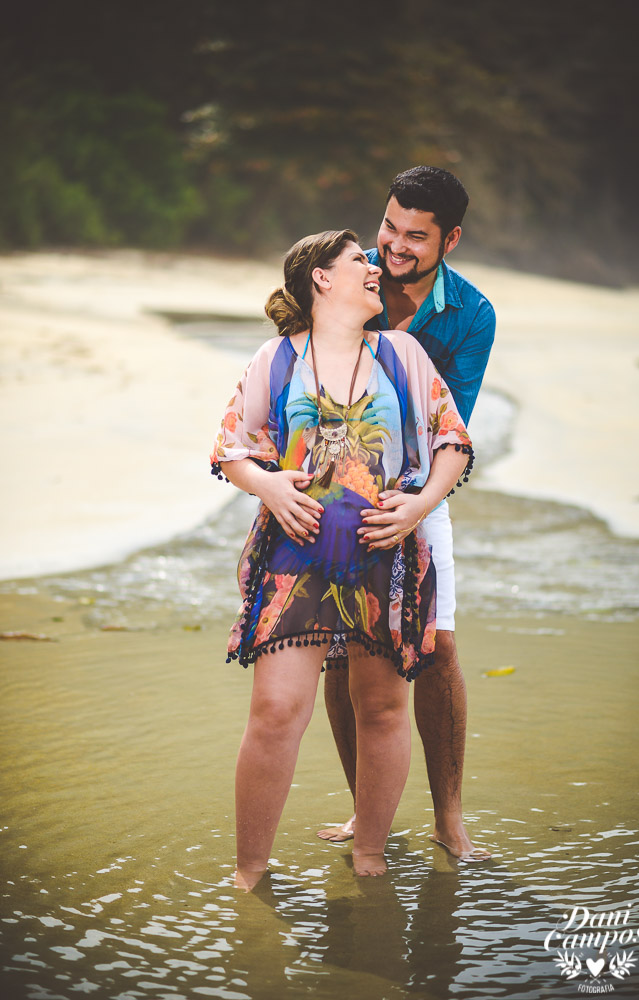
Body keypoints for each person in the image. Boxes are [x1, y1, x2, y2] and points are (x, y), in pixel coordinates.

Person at [210, 229, 473, 890]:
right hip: (294, 553)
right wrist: (268, 484)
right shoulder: (274, 359)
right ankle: (248, 872)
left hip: (384, 548)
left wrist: (418, 506)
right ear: (320, 278)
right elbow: (230, 448)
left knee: (380, 707)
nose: (375, 267)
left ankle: (370, 855)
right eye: (360, 259)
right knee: (274, 710)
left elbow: (451, 442)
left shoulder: (403, 354)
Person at [318, 166, 495, 862]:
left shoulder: (470, 314)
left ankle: (448, 820)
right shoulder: (344, 276)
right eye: (388, 226)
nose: (391, 247)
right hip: (334, 498)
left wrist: (416, 505)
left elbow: (452, 431)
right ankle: (370, 817)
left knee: (439, 648)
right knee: (342, 652)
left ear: (449, 238)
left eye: (414, 237)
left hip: (419, 494)